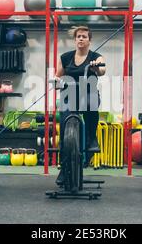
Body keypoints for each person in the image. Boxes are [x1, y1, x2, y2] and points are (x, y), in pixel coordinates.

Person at [55, 26, 105, 184]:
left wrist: (97, 66)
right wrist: (57, 81)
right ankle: (63, 169)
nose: (81, 39)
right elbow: (57, 76)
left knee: (91, 105)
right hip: (69, 95)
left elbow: (102, 70)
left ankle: (91, 138)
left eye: (84, 36)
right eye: (78, 36)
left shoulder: (96, 56)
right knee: (64, 128)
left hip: (88, 94)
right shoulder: (65, 57)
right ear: (75, 40)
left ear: (89, 40)